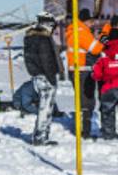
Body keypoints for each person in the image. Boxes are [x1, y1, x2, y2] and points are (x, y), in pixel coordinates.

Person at [65, 8, 104, 138]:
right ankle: (84, 132)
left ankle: (82, 129)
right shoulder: (82, 32)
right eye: (91, 21)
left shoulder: (74, 30)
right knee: (87, 102)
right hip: (82, 71)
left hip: (76, 70)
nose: (92, 24)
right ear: (85, 21)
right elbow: (96, 49)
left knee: (81, 100)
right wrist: (101, 40)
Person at [24, 13, 62, 146]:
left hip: (37, 76)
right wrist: (52, 77)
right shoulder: (43, 39)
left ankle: (40, 136)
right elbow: (47, 60)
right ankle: (40, 137)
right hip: (46, 77)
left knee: (44, 107)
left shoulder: (30, 38)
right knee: (46, 108)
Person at [92, 27, 118, 140]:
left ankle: (109, 135)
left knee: (108, 112)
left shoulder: (104, 56)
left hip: (108, 88)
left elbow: (97, 75)